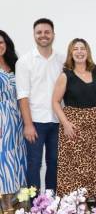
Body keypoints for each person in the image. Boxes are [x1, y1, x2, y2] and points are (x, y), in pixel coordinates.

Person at [52, 39, 96, 200]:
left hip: (95, 127)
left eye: (83, 48)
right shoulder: (65, 75)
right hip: (73, 127)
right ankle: (73, 206)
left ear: (88, 52)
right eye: (75, 49)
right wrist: (66, 124)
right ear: (71, 53)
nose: (80, 51)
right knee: (73, 168)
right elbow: (55, 101)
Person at [15, 18, 64, 192]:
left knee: (54, 163)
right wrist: (28, 124)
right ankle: (36, 205)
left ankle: (50, 203)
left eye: (47, 32)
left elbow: (84, 69)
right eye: (39, 32)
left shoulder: (62, 60)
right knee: (34, 164)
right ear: (34, 35)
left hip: (57, 121)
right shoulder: (24, 62)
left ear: (53, 35)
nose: (43, 35)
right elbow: (22, 96)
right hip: (34, 122)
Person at [0, 30, 26, 212]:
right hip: (1, 118)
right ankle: (5, 205)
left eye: (1, 42)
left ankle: (16, 201)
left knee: (16, 157)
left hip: (16, 118)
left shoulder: (16, 65)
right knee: (4, 159)